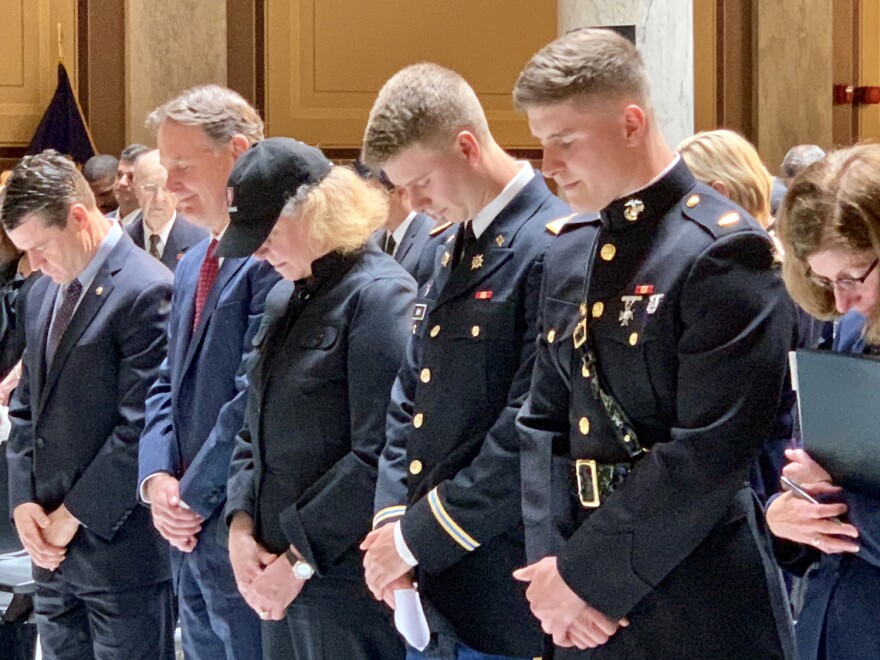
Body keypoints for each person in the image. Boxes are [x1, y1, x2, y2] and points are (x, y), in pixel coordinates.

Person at [511, 28, 796, 658]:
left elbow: (706, 454)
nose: (547, 167)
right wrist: (553, 575)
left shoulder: (722, 251)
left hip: (694, 597)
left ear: (631, 123)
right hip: (581, 601)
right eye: (540, 144)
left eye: (563, 142)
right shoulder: (570, 248)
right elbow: (540, 423)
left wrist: (585, 579)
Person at [360, 62, 570, 660]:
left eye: (422, 181)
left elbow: (527, 425)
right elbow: (410, 392)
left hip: (500, 581)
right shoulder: (446, 242)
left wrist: (414, 538)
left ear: (467, 146)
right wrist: (391, 524)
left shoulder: (551, 243)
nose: (415, 203)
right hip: (429, 585)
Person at [223, 138, 412, 659]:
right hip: (273, 574)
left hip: (340, 581)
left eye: (266, 234)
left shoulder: (379, 295)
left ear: (316, 211)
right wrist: (239, 527)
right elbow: (251, 425)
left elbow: (379, 454)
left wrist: (299, 558)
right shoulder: (286, 294)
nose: (258, 251)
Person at [2, 150, 175, 659]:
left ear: (79, 216)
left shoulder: (148, 290)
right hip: (50, 556)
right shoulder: (39, 293)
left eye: (41, 247)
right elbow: (25, 409)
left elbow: (139, 426)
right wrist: (23, 504)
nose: (35, 263)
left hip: (120, 554)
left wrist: (72, 515)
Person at [137, 85, 273, 660]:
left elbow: (252, 394)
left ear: (237, 153)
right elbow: (166, 379)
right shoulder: (193, 261)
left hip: (240, 526)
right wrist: (157, 480)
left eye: (183, 167)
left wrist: (191, 495)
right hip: (183, 529)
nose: (169, 188)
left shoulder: (277, 256)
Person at [769, 143, 880, 660]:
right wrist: (786, 509)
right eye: (825, 279)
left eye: (853, 276)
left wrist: (836, 509)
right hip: (835, 615)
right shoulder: (855, 329)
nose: (840, 302)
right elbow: (816, 456)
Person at [353, 159, 443, 285]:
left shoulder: (432, 237)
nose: (365, 206)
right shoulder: (373, 240)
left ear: (400, 192)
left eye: (373, 198)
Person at [126, 149, 207, 272]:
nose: (159, 198)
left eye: (166, 188)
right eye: (149, 188)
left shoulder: (201, 242)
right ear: (135, 188)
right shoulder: (123, 241)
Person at [110, 143, 149, 225]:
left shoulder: (152, 227)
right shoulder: (102, 223)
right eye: (119, 175)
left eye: (131, 177)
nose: (122, 182)